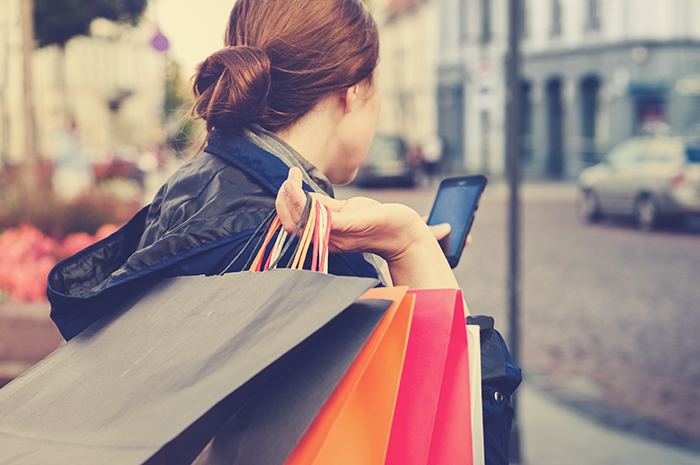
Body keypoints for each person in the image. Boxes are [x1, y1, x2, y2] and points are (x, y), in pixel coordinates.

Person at [46, 0, 520, 463]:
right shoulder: (313, 255)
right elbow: (469, 440)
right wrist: (413, 249)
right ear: (353, 91)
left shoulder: (190, 184)